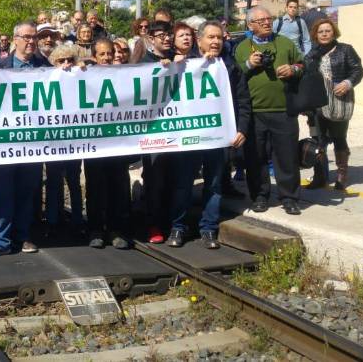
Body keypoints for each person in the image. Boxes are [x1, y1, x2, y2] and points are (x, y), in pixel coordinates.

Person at [168, 21, 251, 249]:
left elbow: (243, 102)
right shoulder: (185, 63)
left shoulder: (230, 68)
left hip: (218, 138)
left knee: (214, 185)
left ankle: (209, 229)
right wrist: (172, 66)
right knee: (184, 184)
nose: (216, 41)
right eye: (211, 37)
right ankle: (178, 227)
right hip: (189, 139)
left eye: (219, 38)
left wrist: (242, 128)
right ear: (200, 39)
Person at [0, 22, 51, 259]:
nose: (31, 42)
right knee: (2, 192)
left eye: (34, 38)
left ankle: (23, 235)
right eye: (27, 37)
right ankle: (0, 240)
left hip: (32, 142)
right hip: (3, 143)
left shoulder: (45, 66)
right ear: (15, 40)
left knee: (27, 190)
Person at [234, 6, 305, 215]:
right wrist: (248, 63)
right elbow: (234, 75)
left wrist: (294, 69)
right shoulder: (241, 48)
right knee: (255, 158)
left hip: (284, 110)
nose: (267, 22)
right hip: (254, 113)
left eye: (269, 19)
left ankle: (289, 197)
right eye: (261, 20)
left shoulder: (285, 43)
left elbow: (304, 64)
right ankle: (259, 196)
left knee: (287, 157)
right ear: (250, 25)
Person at [304, 18, 363, 190]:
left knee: (339, 138)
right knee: (318, 141)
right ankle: (320, 177)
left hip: (339, 102)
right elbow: (306, 76)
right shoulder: (312, 54)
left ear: (334, 32)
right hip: (318, 105)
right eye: (320, 31)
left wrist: (347, 83)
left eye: (327, 30)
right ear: (315, 34)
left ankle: (341, 175)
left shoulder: (345, 50)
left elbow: (358, 70)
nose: (324, 34)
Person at [84, 39, 131, 250]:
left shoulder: (125, 75)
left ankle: (116, 230)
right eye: (102, 54)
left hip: (118, 143)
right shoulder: (84, 76)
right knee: (95, 188)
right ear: (94, 57)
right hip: (95, 144)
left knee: (118, 188)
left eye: (109, 53)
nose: (106, 58)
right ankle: (96, 230)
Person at [43, 44, 84, 238]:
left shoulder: (80, 78)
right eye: (61, 61)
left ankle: (77, 219)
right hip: (53, 140)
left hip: (74, 140)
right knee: (53, 181)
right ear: (53, 64)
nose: (67, 65)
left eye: (70, 60)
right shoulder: (46, 81)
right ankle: (52, 221)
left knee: (74, 181)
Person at [139, 21, 174, 243]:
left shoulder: (181, 59)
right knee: (154, 178)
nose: (166, 39)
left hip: (177, 129)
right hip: (153, 132)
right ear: (151, 39)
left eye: (168, 34)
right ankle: (153, 223)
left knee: (175, 178)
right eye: (160, 35)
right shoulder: (143, 63)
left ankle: (173, 221)